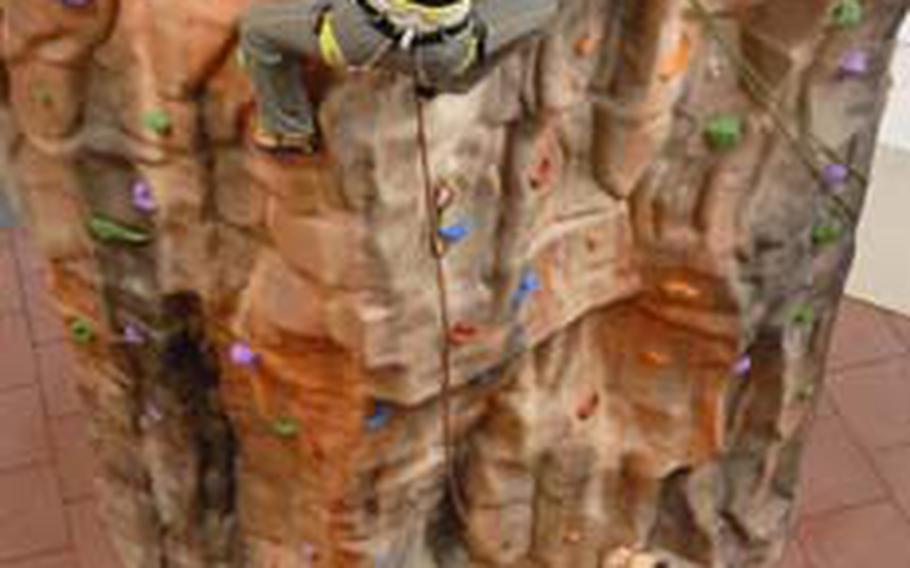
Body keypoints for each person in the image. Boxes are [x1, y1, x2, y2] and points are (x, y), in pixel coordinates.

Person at [239, 0, 558, 152]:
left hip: (356, 39)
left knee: (256, 30)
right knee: (544, 9)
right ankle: (454, 81)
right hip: (444, 55)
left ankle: (288, 129)